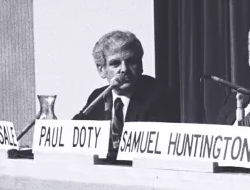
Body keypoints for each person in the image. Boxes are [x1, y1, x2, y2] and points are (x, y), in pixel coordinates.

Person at [74, 30, 180, 159]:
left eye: (131, 62)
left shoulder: (160, 95)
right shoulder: (98, 97)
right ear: (102, 70)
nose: (124, 69)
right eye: (115, 63)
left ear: (140, 66)